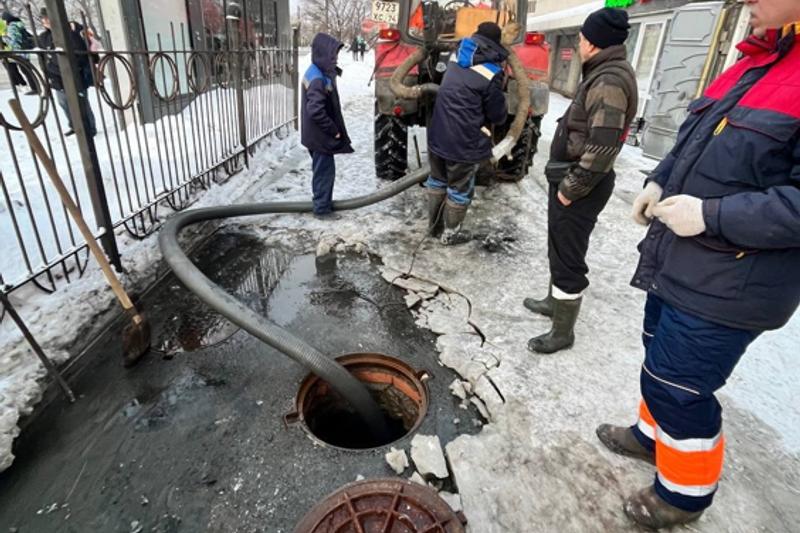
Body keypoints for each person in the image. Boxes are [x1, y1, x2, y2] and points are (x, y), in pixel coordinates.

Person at [595, 0, 800, 528]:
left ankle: (684, 495)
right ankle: (651, 437)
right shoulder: (755, 61)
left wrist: (711, 215)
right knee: (658, 363)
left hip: (734, 278)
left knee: (679, 387)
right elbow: (696, 144)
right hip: (681, 261)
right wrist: (661, 179)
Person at [523, 8, 637, 354]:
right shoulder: (602, 72)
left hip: (581, 185)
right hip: (572, 177)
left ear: (594, 42)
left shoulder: (608, 81)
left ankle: (562, 332)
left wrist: (571, 189)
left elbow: (603, 147)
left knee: (569, 256)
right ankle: (553, 301)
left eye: (583, 37)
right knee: (560, 246)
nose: (579, 42)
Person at [425, 22, 507, 245]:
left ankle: (433, 227)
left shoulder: (455, 55)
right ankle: (451, 233)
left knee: (437, 179)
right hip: (463, 142)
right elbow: (497, 115)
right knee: (459, 188)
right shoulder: (492, 72)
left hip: (438, 132)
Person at [300, 32, 353, 219]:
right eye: (333, 55)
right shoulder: (317, 78)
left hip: (315, 135)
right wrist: (333, 130)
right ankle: (322, 209)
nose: (335, 59)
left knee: (322, 171)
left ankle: (323, 204)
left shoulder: (318, 71)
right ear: (323, 53)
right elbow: (315, 110)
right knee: (324, 173)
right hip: (320, 136)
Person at [38, 8, 96, 137]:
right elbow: (43, 56)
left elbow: (80, 54)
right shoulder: (44, 37)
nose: (45, 21)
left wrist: (73, 67)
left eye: (47, 18)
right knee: (64, 103)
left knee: (81, 103)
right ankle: (74, 126)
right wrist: (48, 71)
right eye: (43, 19)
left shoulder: (70, 32)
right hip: (56, 77)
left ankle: (89, 127)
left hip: (74, 75)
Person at [1, 11, 38, 95]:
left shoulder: (12, 27)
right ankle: (35, 87)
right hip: (23, 50)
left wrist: (5, 38)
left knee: (26, 70)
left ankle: (35, 88)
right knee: (27, 70)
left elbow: (14, 40)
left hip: (19, 51)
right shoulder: (18, 24)